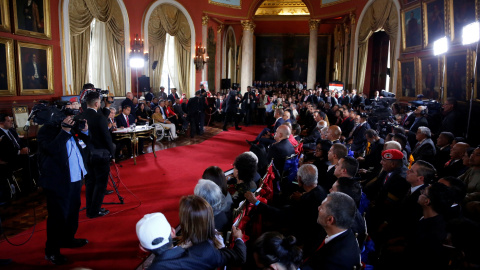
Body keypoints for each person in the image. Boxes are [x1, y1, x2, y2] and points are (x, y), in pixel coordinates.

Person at [37, 116, 89, 265]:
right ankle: (52, 251)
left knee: (73, 211)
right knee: (57, 217)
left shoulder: (70, 128)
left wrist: (84, 130)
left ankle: (68, 239)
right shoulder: (46, 131)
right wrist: (64, 131)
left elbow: (84, 144)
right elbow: (51, 150)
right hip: (57, 181)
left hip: (75, 177)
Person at [136, 207, 246, 270]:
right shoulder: (205, 251)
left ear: (143, 248)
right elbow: (240, 257)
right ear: (173, 232)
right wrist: (238, 238)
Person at [303, 192, 361, 270]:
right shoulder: (340, 230)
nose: (318, 208)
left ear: (330, 220)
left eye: (322, 207)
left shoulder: (334, 261)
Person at [82, 91, 114, 218]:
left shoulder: (80, 116)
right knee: (100, 184)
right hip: (100, 155)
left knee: (90, 182)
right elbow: (106, 138)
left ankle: (90, 208)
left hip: (86, 155)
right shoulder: (99, 118)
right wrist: (112, 154)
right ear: (97, 103)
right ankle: (95, 211)